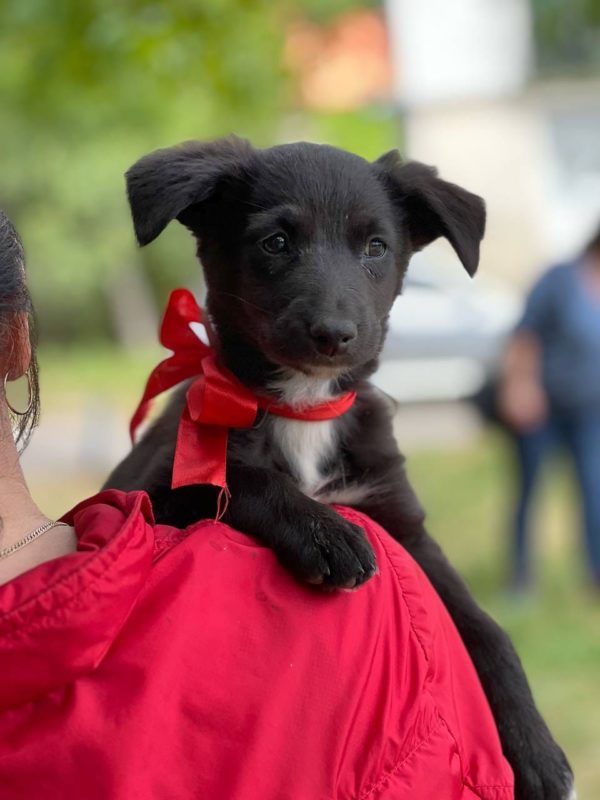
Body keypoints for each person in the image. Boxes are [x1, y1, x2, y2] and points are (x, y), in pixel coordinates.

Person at [0, 208, 513, 799]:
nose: (333, 312)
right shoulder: (381, 625)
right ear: (17, 339)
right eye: (277, 243)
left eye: (373, 247)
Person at [499, 224, 600, 590]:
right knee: (529, 490)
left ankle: (595, 575)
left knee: (593, 490)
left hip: (589, 412)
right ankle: (521, 578)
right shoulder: (560, 278)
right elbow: (525, 335)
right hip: (542, 408)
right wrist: (520, 387)